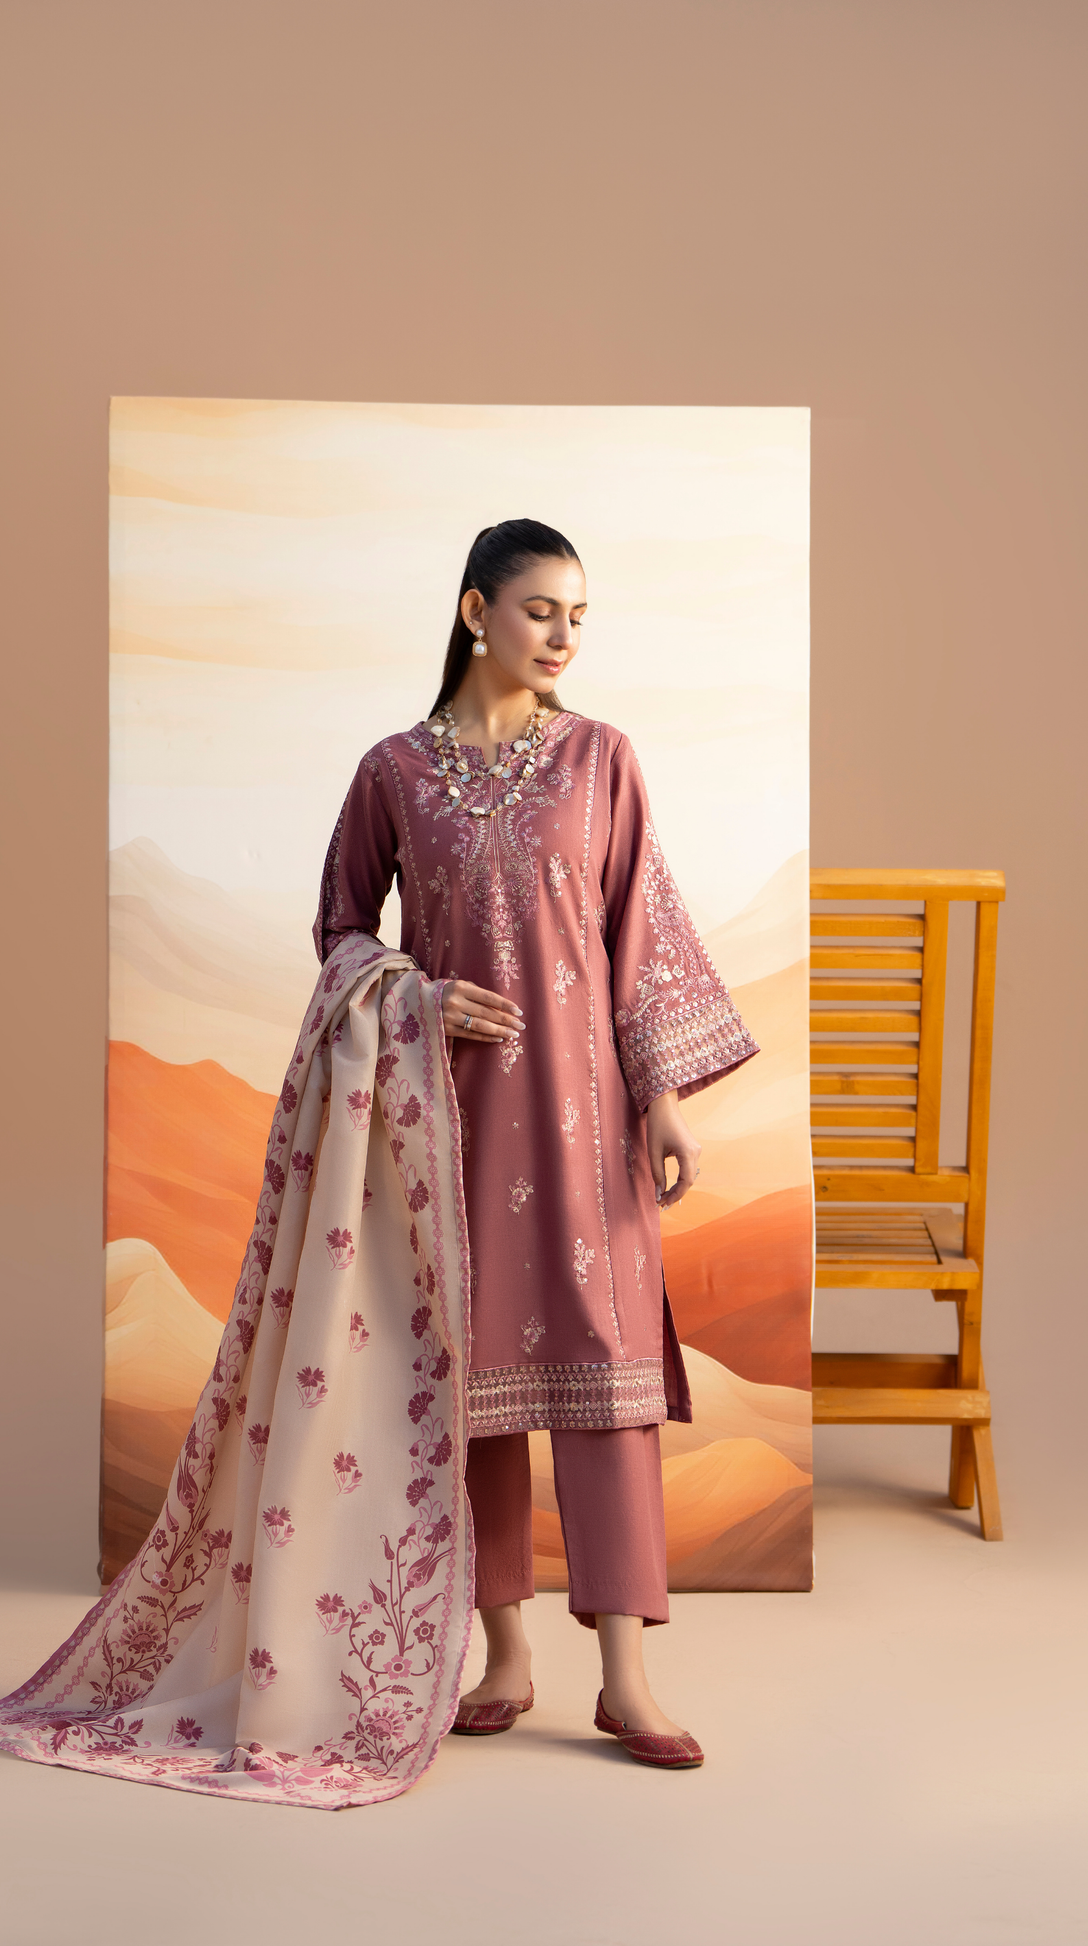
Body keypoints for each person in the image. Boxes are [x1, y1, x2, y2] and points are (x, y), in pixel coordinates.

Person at [313, 518, 758, 1769]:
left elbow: (637, 930)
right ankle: (502, 1655)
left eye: (577, 616)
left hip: (586, 1117)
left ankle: (625, 1679)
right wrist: (415, 992)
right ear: (475, 612)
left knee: (608, 1382)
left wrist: (661, 1095)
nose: (562, 636)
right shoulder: (393, 772)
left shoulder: (599, 758)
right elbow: (340, 928)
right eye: (539, 610)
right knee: (478, 1388)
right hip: (449, 1118)